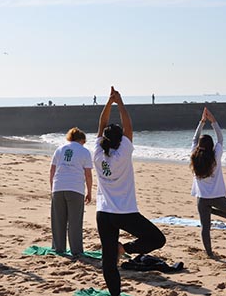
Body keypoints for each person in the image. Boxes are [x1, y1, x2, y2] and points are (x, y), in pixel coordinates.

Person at [94, 86, 166, 296]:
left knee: (108, 262)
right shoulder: (123, 153)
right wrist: (120, 103)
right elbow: (129, 127)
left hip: (104, 214)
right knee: (157, 239)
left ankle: (115, 293)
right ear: (120, 140)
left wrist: (109, 102)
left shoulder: (98, 153)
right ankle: (124, 248)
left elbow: (101, 124)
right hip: (124, 212)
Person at [190, 107, 226, 257]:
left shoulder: (194, 156)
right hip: (217, 197)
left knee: (206, 227)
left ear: (199, 146)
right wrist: (213, 121)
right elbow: (221, 139)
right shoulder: (215, 156)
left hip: (202, 199)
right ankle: (212, 211)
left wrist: (201, 122)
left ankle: (209, 253)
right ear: (211, 146)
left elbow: (194, 140)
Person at [49, 127, 93, 256]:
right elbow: (88, 174)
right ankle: (76, 250)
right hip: (75, 188)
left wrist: (52, 188)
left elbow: (52, 171)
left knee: (58, 220)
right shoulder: (84, 151)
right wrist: (89, 191)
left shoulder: (60, 149)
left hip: (58, 187)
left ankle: (59, 248)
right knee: (75, 222)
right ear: (82, 140)